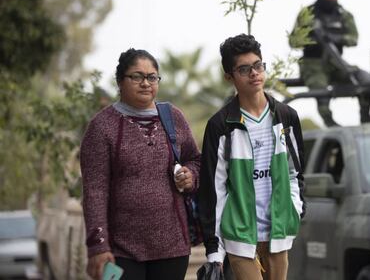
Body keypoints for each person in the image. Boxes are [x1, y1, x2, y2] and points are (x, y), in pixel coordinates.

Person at [80, 48, 201, 280]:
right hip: (119, 250)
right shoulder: (101, 126)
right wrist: (98, 247)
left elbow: (195, 160)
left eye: (152, 77)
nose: (146, 83)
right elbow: (95, 192)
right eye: (137, 76)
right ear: (119, 81)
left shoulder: (173, 117)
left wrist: (190, 175)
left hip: (173, 246)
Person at [198, 34, 306, 280]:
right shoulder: (220, 125)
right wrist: (214, 250)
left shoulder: (286, 117)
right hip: (239, 232)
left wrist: (295, 209)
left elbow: (296, 172)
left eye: (258, 65)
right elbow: (213, 189)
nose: (254, 73)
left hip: (279, 229)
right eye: (244, 69)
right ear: (230, 77)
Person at [289, 0, 370, 126]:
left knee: (363, 79)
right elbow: (293, 41)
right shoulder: (307, 14)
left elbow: (354, 38)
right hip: (313, 64)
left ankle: (366, 119)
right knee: (321, 92)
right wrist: (311, 39)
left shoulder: (344, 15)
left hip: (336, 62)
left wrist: (336, 38)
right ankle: (331, 123)